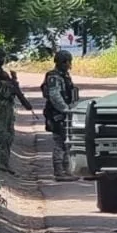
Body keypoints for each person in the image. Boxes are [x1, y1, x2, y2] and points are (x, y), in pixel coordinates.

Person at [0, 48, 32, 170]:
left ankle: (4, 163)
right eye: (1, 58)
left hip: (6, 111)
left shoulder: (2, 74)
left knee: (8, 135)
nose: (2, 60)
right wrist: (9, 86)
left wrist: (13, 82)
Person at [41, 50, 78, 181]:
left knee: (66, 141)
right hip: (58, 114)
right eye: (68, 62)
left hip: (64, 113)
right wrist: (65, 109)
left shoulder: (64, 76)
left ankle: (66, 170)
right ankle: (59, 172)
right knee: (60, 142)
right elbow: (54, 95)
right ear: (64, 62)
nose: (69, 64)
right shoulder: (54, 77)